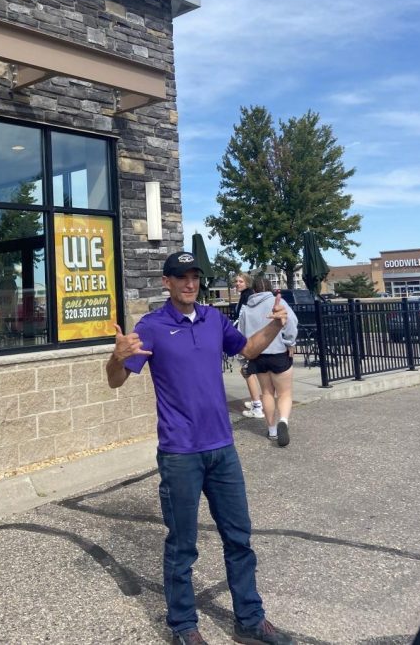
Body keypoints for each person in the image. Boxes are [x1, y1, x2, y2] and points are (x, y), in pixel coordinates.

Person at [108, 251, 295, 645]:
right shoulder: (152, 327)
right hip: (180, 453)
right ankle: (183, 627)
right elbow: (116, 381)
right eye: (181, 277)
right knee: (182, 543)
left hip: (223, 448)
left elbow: (247, 350)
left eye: (195, 276)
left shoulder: (214, 319)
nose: (190, 283)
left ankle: (249, 619)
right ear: (167, 282)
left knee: (239, 537)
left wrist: (275, 327)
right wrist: (116, 357)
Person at [237, 276, 298, 447]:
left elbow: (241, 334)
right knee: (284, 393)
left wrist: (244, 359)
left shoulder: (246, 308)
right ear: (271, 288)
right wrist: (290, 342)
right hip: (278, 353)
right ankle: (283, 421)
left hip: (258, 356)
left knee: (267, 393)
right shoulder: (278, 302)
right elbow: (291, 322)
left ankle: (271, 430)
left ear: (254, 290)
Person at [233, 273, 264, 419]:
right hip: (251, 337)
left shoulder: (247, 297)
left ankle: (257, 406)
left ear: (247, 283)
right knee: (250, 371)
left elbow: (243, 319)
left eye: (240, 281)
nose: (237, 283)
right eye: (236, 281)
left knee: (247, 371)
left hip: (246, 339)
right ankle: (255, 401)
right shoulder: (247, 295)